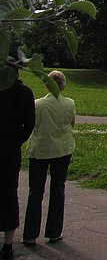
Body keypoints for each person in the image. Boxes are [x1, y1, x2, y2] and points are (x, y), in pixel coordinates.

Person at [21, 71, 75, 247]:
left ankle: (30, 234)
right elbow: (71, 124)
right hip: (62, 150)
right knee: (58, 189)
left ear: (47, 86)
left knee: (35, 191)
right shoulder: (69, 104)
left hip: (40, 150)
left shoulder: (37, 104)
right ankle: (54, 231)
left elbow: (31, 124)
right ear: (63, 86)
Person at [0, 62, 35, 260]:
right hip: (11, 151)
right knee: (9, 193)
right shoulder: (25, 92)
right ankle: (8, 244)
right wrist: (16, 140)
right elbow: (30, 123)